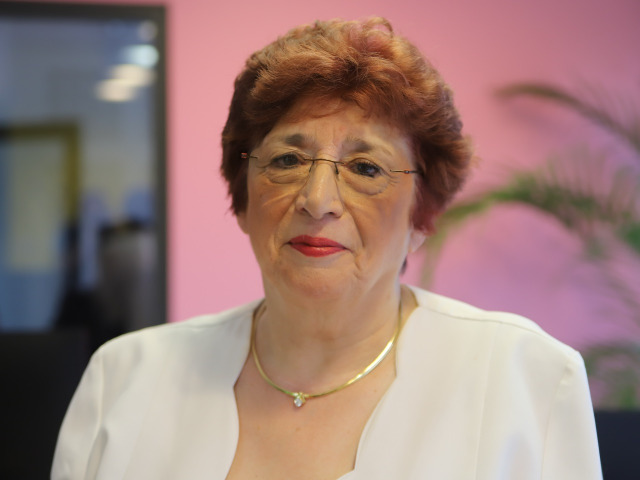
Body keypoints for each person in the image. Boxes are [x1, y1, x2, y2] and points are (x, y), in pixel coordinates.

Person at [52, 17, 602, 479]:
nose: (318, 201)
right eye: (288, 160)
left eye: (366, 168)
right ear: (243, 198)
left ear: (421, 215)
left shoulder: (524, 380)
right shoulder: (123, 382)